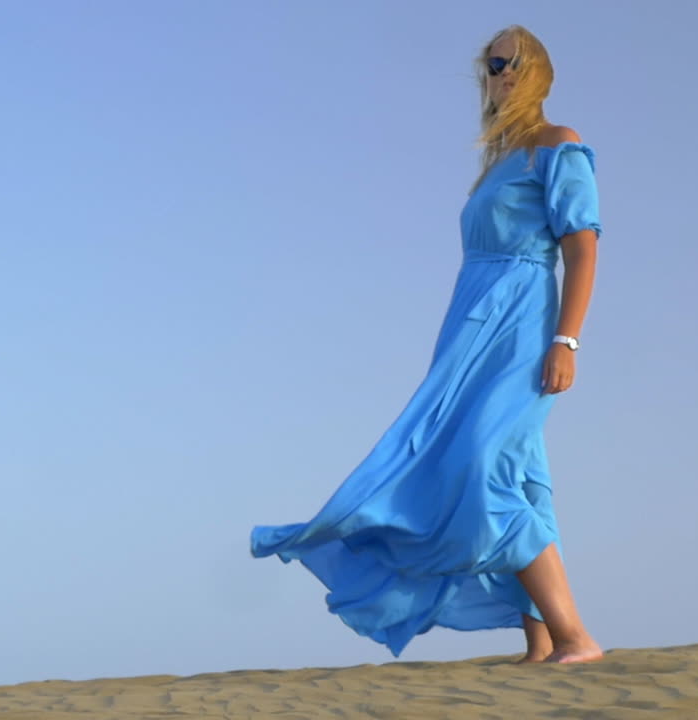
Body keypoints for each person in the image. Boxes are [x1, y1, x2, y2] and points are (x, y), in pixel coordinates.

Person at [249, 24, 604, 664]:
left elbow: (582, 248)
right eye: (491, 65)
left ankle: (577, 636)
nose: (500, 74)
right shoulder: (497, 163)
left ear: (538, 72)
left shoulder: (558, 144)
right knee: (521, 471)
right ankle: (543, 641)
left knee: (482, 463)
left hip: (522, 322)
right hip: (469, 327)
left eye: (511, 62)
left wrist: (567, 340)